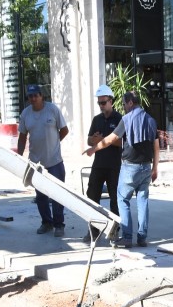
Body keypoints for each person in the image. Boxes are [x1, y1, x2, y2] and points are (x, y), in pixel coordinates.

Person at [83, 91, 158, 249]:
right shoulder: (151, 120)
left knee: (122, 200)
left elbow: (110, 139)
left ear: (130, 102)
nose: (123, 107)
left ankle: (127, 237)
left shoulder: (126, 119)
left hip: (130, 167)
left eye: (124, 104)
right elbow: (156, 146)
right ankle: (142, 237)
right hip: (146, 167)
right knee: (142, 201)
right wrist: (155, 168)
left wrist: (93, 149)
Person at [17, 84, 70, 237]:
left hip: (54, 161)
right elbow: (22, 137)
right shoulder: (25, 114)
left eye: (36, 95)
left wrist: (55, 142)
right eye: (30, 96)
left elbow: (64, 129)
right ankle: (46, 222)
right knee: (41, 196)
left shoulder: (52, 110)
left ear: (42, 96)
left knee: (58, 194)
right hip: (35, 163)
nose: (33, 99)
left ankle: (59, 225)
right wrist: (19, 156)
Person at [84, 84, 122, 243]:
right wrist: (94, 140)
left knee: (116, 200)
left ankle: (115, 231)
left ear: (111, 101)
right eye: (99, 103)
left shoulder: (119, 119)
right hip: (98, 164)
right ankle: (93, 230)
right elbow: (89, 140)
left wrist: (104, 140)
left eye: (103, 102)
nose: (101, 106)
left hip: (114, 166)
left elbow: (121, 143)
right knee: (92, 197)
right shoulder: (97, 120)